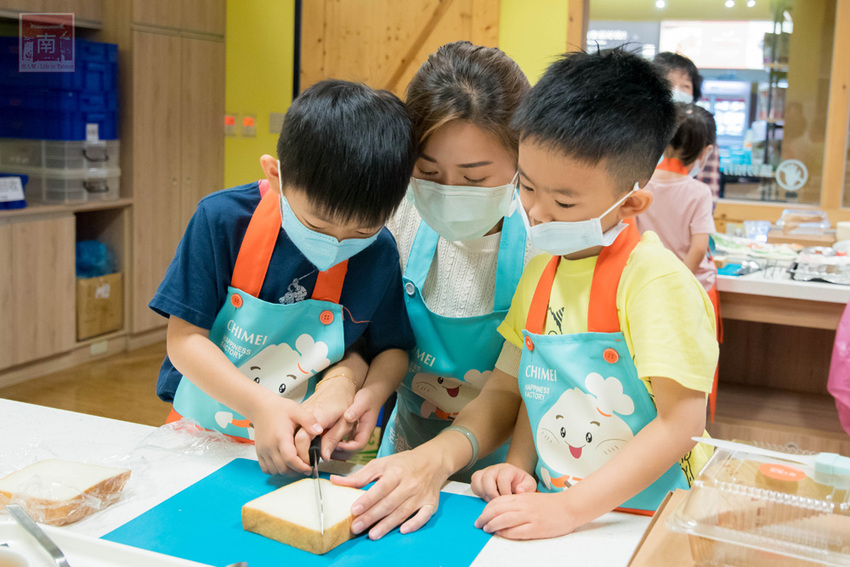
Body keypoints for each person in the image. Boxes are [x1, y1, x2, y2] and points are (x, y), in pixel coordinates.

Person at [468, 48, 718, 540]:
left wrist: (568, 511)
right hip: (561, 508)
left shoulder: (655, 283)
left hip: (650, 519)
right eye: (528, 187)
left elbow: (682, 422)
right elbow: (532, 385)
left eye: (564, 201)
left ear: (632, 204)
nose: (537, 213)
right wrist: (518, 467)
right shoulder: (542, 270)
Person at [149, 80, 416, 476]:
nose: (339, 242)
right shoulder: (222, 220)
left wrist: (368, 399)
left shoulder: (378, 252)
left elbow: (390, 350)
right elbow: (184, 341)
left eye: (362, 230)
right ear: (276, 176)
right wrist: (262, 406)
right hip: (204, 435)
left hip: (321, 446)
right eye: (317, 224)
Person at [331, 41, 533, 539]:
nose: (449, 192)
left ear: (522, 160)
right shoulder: (396, 215)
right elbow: (363, 331)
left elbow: (514, 389)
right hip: (405, 455)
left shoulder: (542, 242)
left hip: (504, 478)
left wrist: (439, 460)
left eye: (474, 177)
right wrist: (344, 388)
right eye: (428, 173)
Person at [654, 51, 721, 201]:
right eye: (669, 84)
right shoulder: (638, 129)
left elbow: (710, 191)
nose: (677, 91)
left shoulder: (702, 133)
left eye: (685, 86)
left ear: (694, 93)